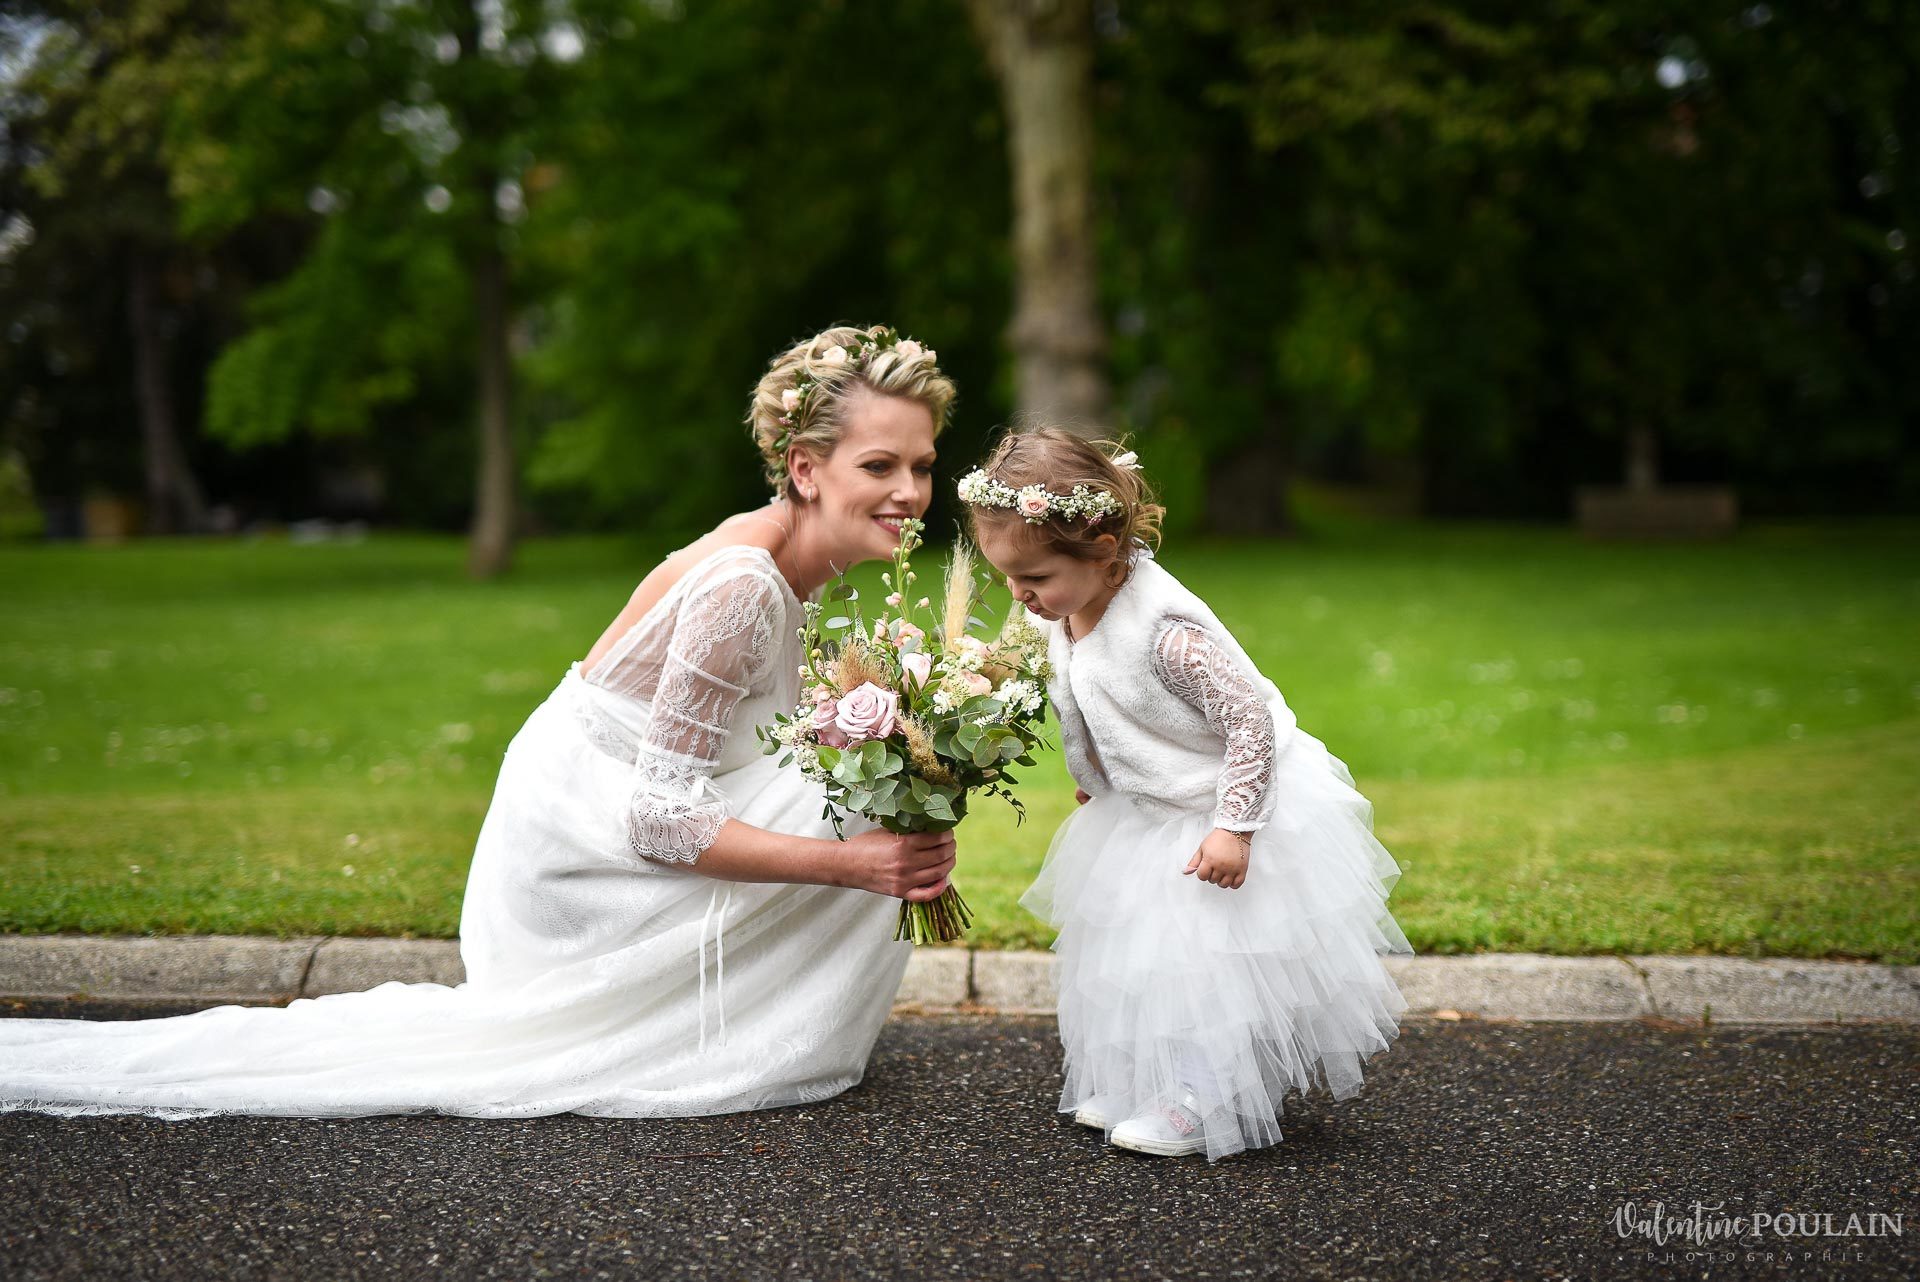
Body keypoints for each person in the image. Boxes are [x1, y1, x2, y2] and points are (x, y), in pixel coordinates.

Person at [0, 323, 960, 1120]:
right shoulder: (742, 584)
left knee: (874, 767)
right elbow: (659, 819)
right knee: (856, 813)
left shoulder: (799, 563)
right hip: (577, 865)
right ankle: (729, 1033)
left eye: (920, 465)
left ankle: (757, 1018)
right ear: (804, 468)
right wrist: (855, 865)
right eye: (879, 465)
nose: (910, 493)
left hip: (612, 818)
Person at [959, 425, 1413, 1161]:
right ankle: (1149, 1078)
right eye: (1008, 577)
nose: (1019, 594)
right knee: (1137, 958)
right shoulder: (1068, 607)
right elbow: (1093, 699)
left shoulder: (1166, 633)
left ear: (1102, 547)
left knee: (1204, 967)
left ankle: (1209, 1094)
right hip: (1146, 810)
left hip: (1219, 810)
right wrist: (1097, 777)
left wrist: (1236, 826)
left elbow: (1250, 722)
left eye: (1033, 577)